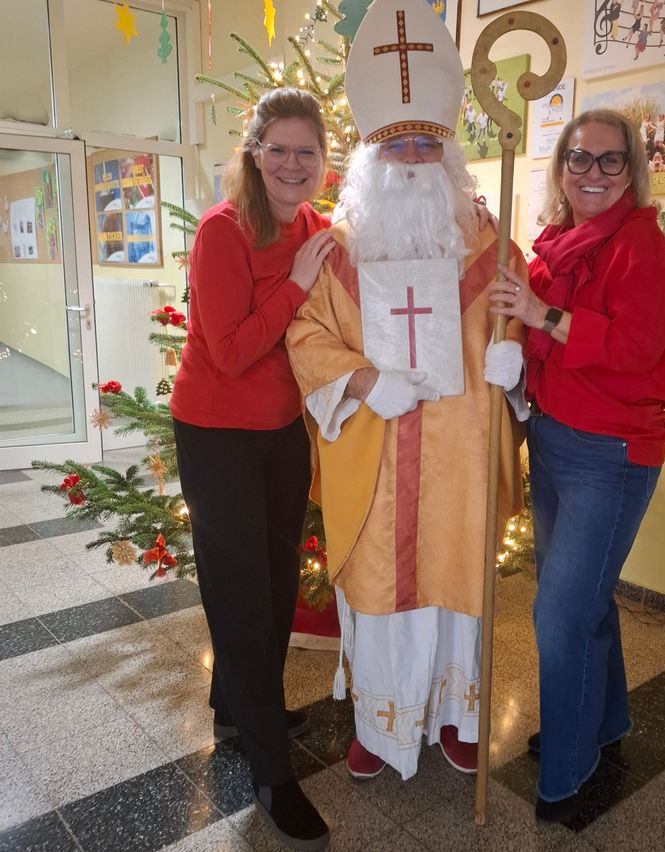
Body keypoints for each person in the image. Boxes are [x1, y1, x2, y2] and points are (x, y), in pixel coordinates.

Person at [286, 0, 525, 783]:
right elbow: (305, 337)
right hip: (377, 449)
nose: (415, 158)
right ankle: (380, 725)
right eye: (398, 145)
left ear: (449, 153)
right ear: (371, 159)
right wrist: (364, 379)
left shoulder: (492, 243)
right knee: (380, 589)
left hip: (461, 453)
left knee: (458, 585)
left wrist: (514, 360)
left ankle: (456, 716)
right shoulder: (338, 251)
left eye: (428, 142)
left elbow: (518, 315)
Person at [488, 108, 665, 822]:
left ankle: (567, 772)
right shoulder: (557, 243)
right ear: (562, 167)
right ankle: (603, 722)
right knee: (583, 601)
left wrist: (541, 314)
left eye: (609, 160)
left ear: (631, 170)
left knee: (559, 614)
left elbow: (633, 348)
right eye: (579, 158)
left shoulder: (641, 246)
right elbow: (526, 311)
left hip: (611, 454)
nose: (592, 172)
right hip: (554, 439)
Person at [169, 87, 336, 850]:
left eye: (308, 151)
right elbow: (232, 351)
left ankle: (237, 710)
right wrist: (296, 281)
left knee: (274, 582)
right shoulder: (223, 230)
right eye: (280, 150)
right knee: (243, 598)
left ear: (323, 160)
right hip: (217, 432)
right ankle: (273, 774)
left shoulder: (316, 228)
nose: (294, 164)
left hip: (281, 430)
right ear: (256, 153)